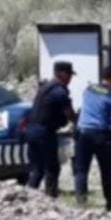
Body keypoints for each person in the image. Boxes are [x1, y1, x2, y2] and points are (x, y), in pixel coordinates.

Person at [73, 66, 111, 211]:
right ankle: (110, 202)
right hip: (101, 135)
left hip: (83, 133)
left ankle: (81, 202)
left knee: (81, 169)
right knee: (106, 170)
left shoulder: (88, 89)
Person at [26, 61, 76, 198]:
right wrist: (78, 122)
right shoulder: (59, 91)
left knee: (37, 169)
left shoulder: (45, 88)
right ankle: (50, 199)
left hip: (32, 130)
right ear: (61, 74)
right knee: (52, 168)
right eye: (69, 75)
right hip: (44, 132)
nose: (70, 78)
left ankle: (28, 197)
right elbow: (70, 114)